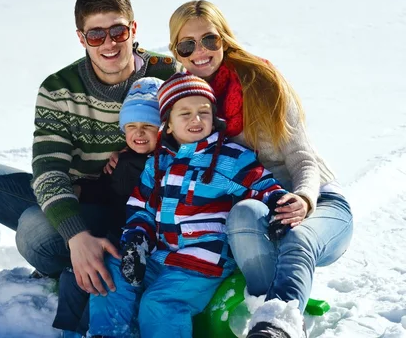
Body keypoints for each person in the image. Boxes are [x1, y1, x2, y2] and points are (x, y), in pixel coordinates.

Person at [0, 0, 177, 335]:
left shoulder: (165, 75)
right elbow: (48, 171)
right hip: (71, 199)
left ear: (133, 29)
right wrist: (76, 237)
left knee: (35, 232)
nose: (109, 42)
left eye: (118, 30)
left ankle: (72, 262)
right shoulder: (58, 88)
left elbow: (198, 125)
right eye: (96, 34)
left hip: (129, 206)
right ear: (81, 38)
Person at [168, 0, 353, 337]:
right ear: (176, 52)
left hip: (317, 199)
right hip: (260, 206)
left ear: (224, 39)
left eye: (210, 40)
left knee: (297, 236)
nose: (200, 52)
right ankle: (269, 305)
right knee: (241, 214)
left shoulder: (260, 82)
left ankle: (277, 326)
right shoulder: (184, 102)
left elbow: (302, 157)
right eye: (187, 44)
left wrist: (305, 199)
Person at [88, 72, 289, 338]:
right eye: (185, 113)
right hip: (158, 255)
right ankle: (110, 333)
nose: (196, 119)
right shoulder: (157, 163)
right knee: (112, 275)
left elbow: (264, 186)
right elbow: (141, 208)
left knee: (159, 304)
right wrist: (137, 240)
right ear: (167, 125)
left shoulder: (229, 157)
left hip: (200, 263)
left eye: (203, 112)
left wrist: (278, 205)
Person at [53, 77, 164, 338]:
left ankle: (96, 328)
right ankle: (68, 331)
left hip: (146, 241)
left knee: (107, 277)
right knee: (76, 273)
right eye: (132, 126)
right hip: (117, 233)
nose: (139, 133)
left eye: (148, 126)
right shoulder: (122, 160)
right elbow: (106, 191)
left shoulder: (167, 163)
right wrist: (80, 190)